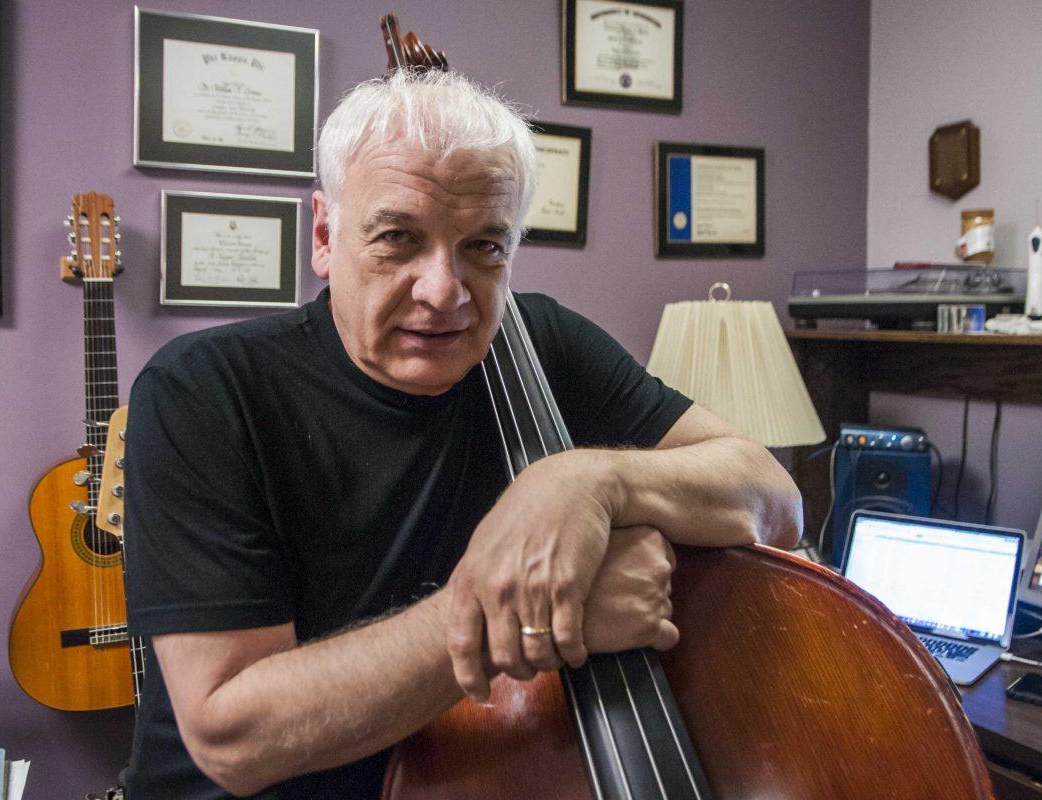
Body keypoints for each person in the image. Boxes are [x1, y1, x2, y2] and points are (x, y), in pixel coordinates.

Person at [124, 69, 801, 800]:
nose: (444, 291)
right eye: (397, 239)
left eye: (484, 246)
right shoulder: (203, 391)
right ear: (325, 235)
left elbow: (774, 498)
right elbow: (233, 736)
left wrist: (590, 480)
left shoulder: (541, 343)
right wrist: (528, 615)